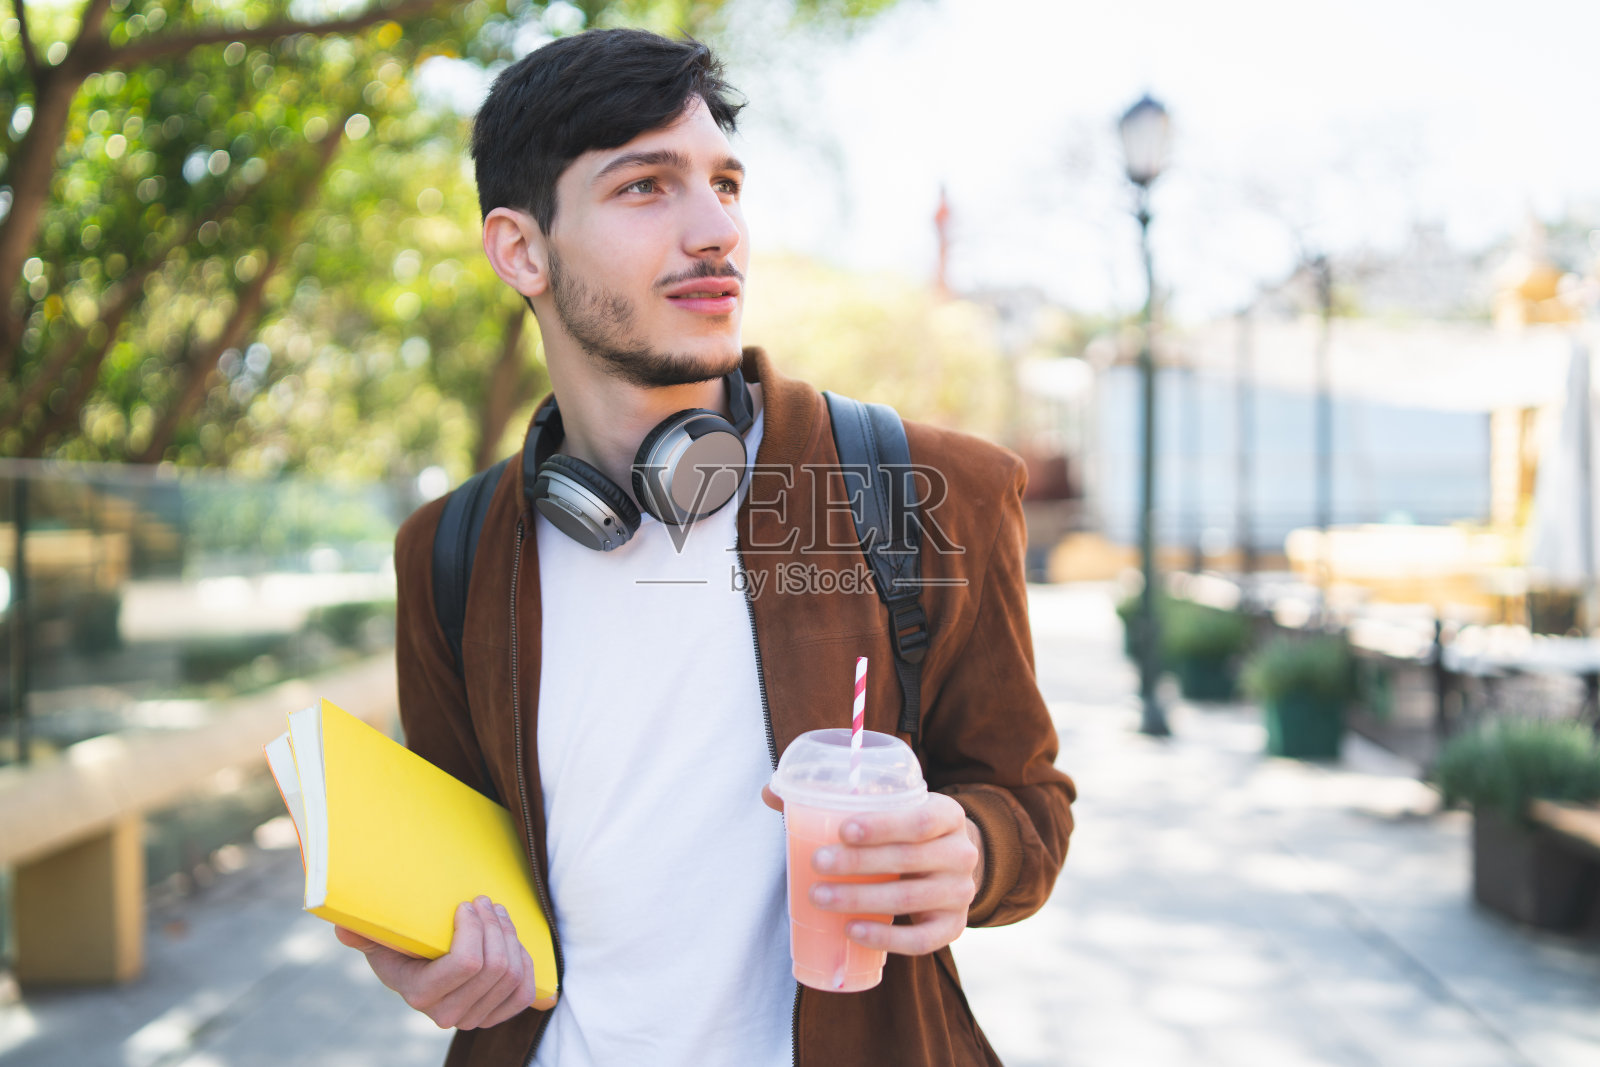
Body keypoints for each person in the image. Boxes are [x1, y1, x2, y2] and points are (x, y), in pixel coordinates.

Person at [337, 27, 1075, 1067]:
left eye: (724, 183)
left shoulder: (929, 488)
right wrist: (422, 953)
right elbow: (457, 871)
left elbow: (1028, 800)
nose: (715, 229)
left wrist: (974, 847)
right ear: (521, 249)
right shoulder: (448, 552)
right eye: (646, 187)